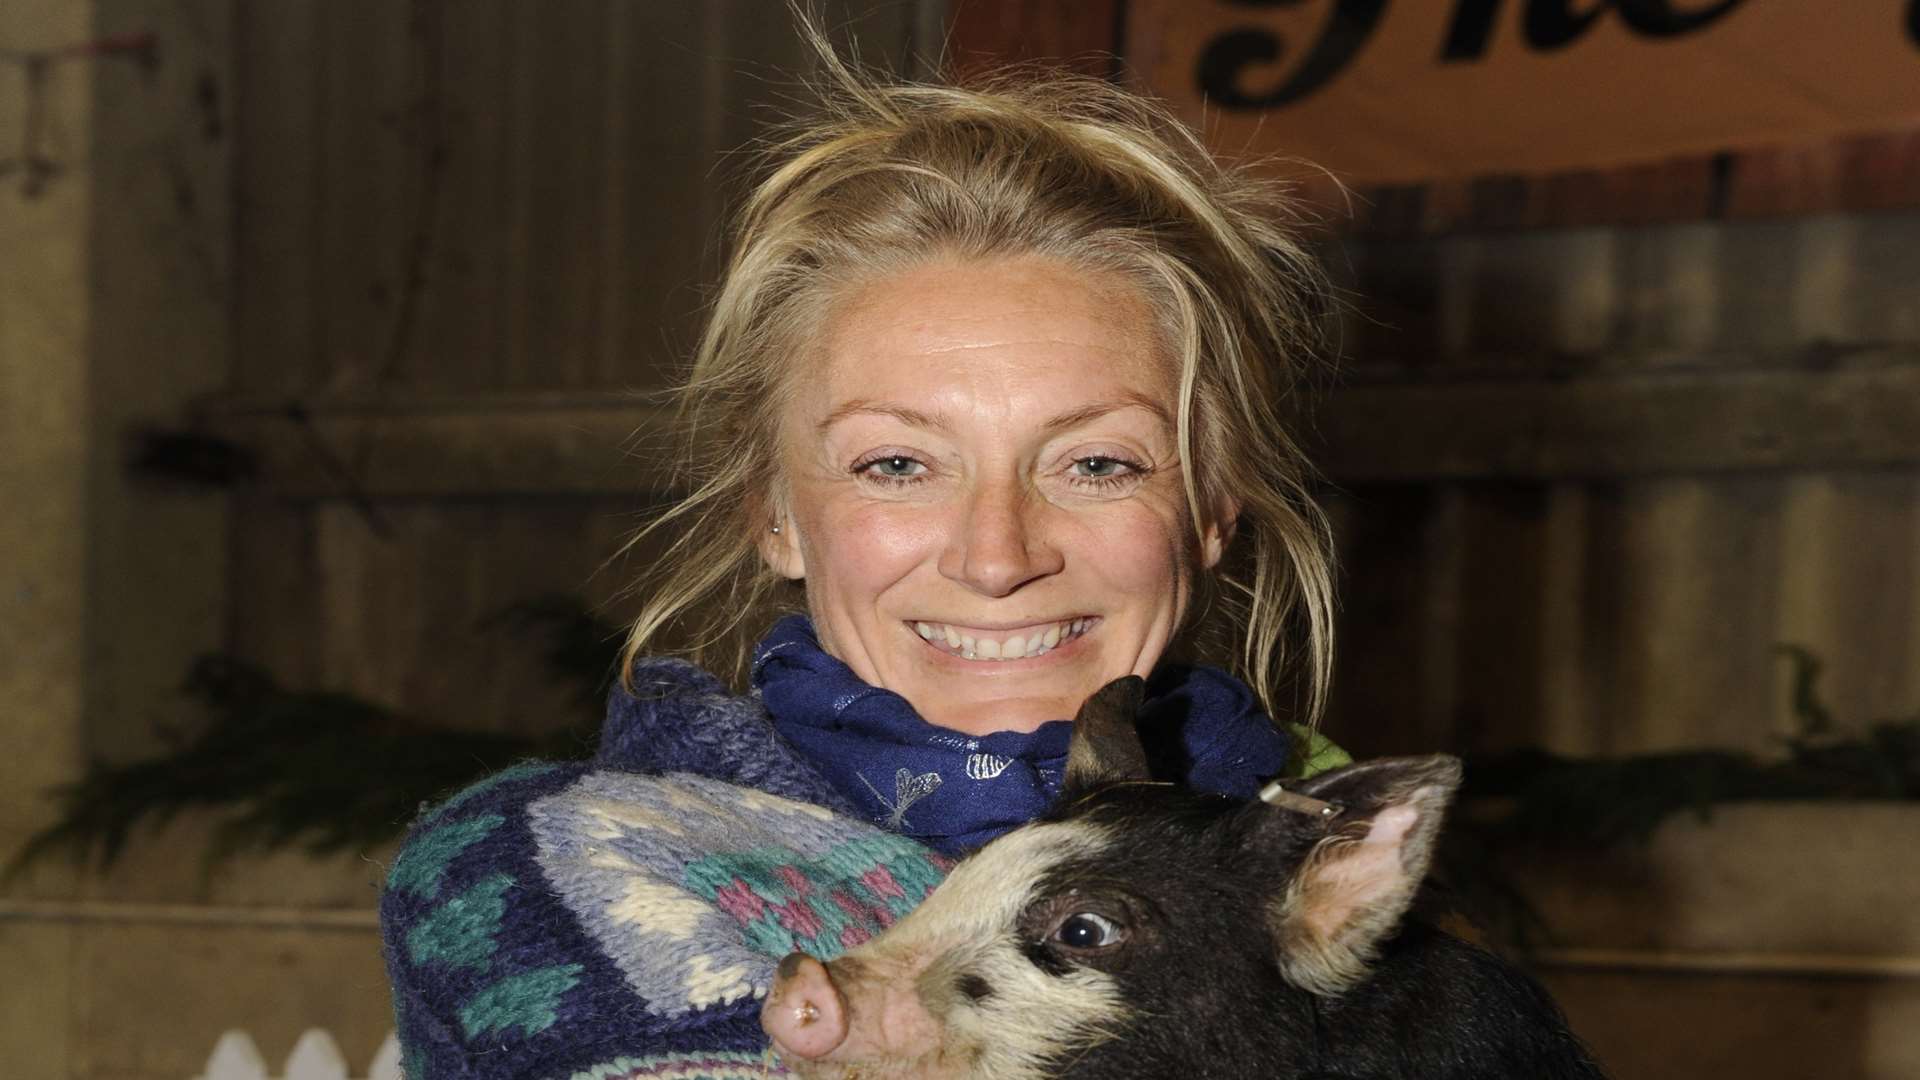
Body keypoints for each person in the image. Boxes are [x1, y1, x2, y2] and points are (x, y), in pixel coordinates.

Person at [380, 33, 1345, 1080]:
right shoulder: (559, 866)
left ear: (1209, 511)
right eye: (895, 463)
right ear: (777, 514)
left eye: (1098, 463)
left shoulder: (1333, 868)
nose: (996, 556)